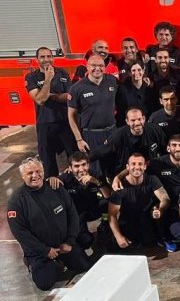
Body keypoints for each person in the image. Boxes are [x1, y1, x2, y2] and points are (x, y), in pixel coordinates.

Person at [7, 157, 92, 291]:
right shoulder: (17, 201)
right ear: (22, 176)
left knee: (84, 266)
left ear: (43, 171)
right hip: (39, 251)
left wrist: (69, 241)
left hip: (64, 244)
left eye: (38, 171)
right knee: (45, 283)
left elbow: (72, 214)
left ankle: (61, 260)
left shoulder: (56, 188)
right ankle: (31, 263)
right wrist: (44, 250)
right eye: (29, 173)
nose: (35, 175)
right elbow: (20, 232)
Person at [107, 153, 175, 251]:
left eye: (140, 164)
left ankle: (163, 238)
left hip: (146, 216)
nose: (137, 167)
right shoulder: (119, 186)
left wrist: (160, 209)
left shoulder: (152, 179)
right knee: (118, 244)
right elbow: (112, 214)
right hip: (128, 218)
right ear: (127, 167)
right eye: (133, 164)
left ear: (145, 166)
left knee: (150, 241)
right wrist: (118, 236)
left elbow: (165, 199)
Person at [26, 47, 75, 177]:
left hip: (65, 122)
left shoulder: (63, 73)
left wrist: (49, 95)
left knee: (74, 157)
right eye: (42, 57)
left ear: (53, 58)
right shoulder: (31, 77)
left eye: (49, 56)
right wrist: (48, 79)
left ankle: (75, 186)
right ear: (37, 60)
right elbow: (40, 100)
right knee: (48, 161)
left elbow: (69, 97)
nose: (46, 59)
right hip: (45, 124)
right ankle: (52, 188)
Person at [68, 54, 119, 176]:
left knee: (115, 167)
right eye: (94, 65)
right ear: (87, 66)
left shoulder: (112, 81)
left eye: (101, 65)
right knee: (95, 172)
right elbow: (71, 115)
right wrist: (79, 139)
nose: (97, 68)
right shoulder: (77, 88)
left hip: (112, 132)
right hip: (91, 136)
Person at [57, 152, 111, 249]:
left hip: (93, 209)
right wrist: (51, 179)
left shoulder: (96, 174)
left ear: (88, 165)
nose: (81, 169)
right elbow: (48, 186)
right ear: (70, 168)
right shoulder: (65, 178)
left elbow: (108, 195)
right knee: (86, 242)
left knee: (107, 203)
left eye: (83, 165)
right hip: (77, 213)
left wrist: (96, 181)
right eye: (76, 166)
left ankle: (105, 224)